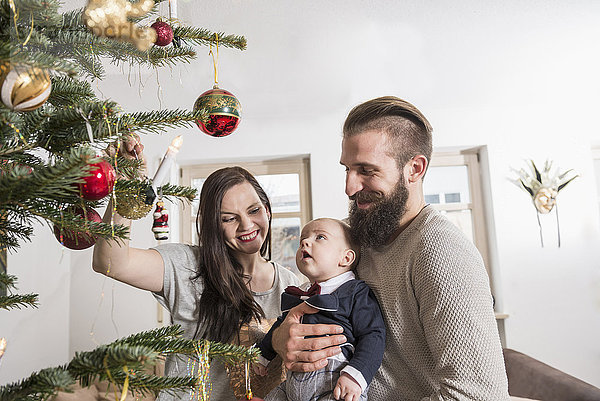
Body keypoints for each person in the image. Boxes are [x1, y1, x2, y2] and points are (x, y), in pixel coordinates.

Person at [271, 97, 510, 400]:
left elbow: (478, 395)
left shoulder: (442, 252)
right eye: (346, 169)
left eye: (366, 171)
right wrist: (281, 339)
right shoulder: (355, 235)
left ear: (415, 168)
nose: (349, 187)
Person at [92, 140, 299, 401]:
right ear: (214, 226)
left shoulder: (291, 285)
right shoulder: (187, 266)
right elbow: (109, 261)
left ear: (267, 211)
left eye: (254, 210)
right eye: (229, 218)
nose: (246, 224)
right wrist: (126, 189)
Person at [255, 218, 385, 401]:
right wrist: (262, 354)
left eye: (320, 237)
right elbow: (282, 325)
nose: (304, 242)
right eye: (303, 239)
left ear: (346, 258)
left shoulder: (355, 292)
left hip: (335, 381)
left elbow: (373, 335)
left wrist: (356, 375)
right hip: (292, 384)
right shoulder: (300, 293)